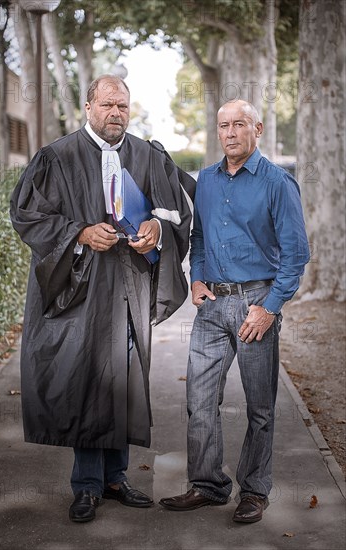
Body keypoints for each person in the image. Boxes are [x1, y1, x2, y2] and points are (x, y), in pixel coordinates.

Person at [10, 75, 195, 523]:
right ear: (89, 106)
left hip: (130, 282)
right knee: (87, 379)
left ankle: (117, 477)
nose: (116, 113)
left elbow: (176, 211)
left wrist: (158, 231)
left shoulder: (147, 155)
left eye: (123, 106)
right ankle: (87, 485)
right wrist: (79, 232)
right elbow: (27, 214)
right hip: (81, 285)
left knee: (125, 379)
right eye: (108, 104)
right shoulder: (57, 157)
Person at [159, 100, 310, 523]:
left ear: (257, 129)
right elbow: (200, 235)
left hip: (256, 303)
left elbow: (297, 255)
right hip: (212, 306)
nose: (229, 132)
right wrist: (198, 277)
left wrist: (270, 309)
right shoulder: (205, 179)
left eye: (238, 124)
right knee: (200, 399)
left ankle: (255, 491)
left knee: (259, 406)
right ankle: (207, 485)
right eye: (223, 125)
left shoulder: (278, 183)